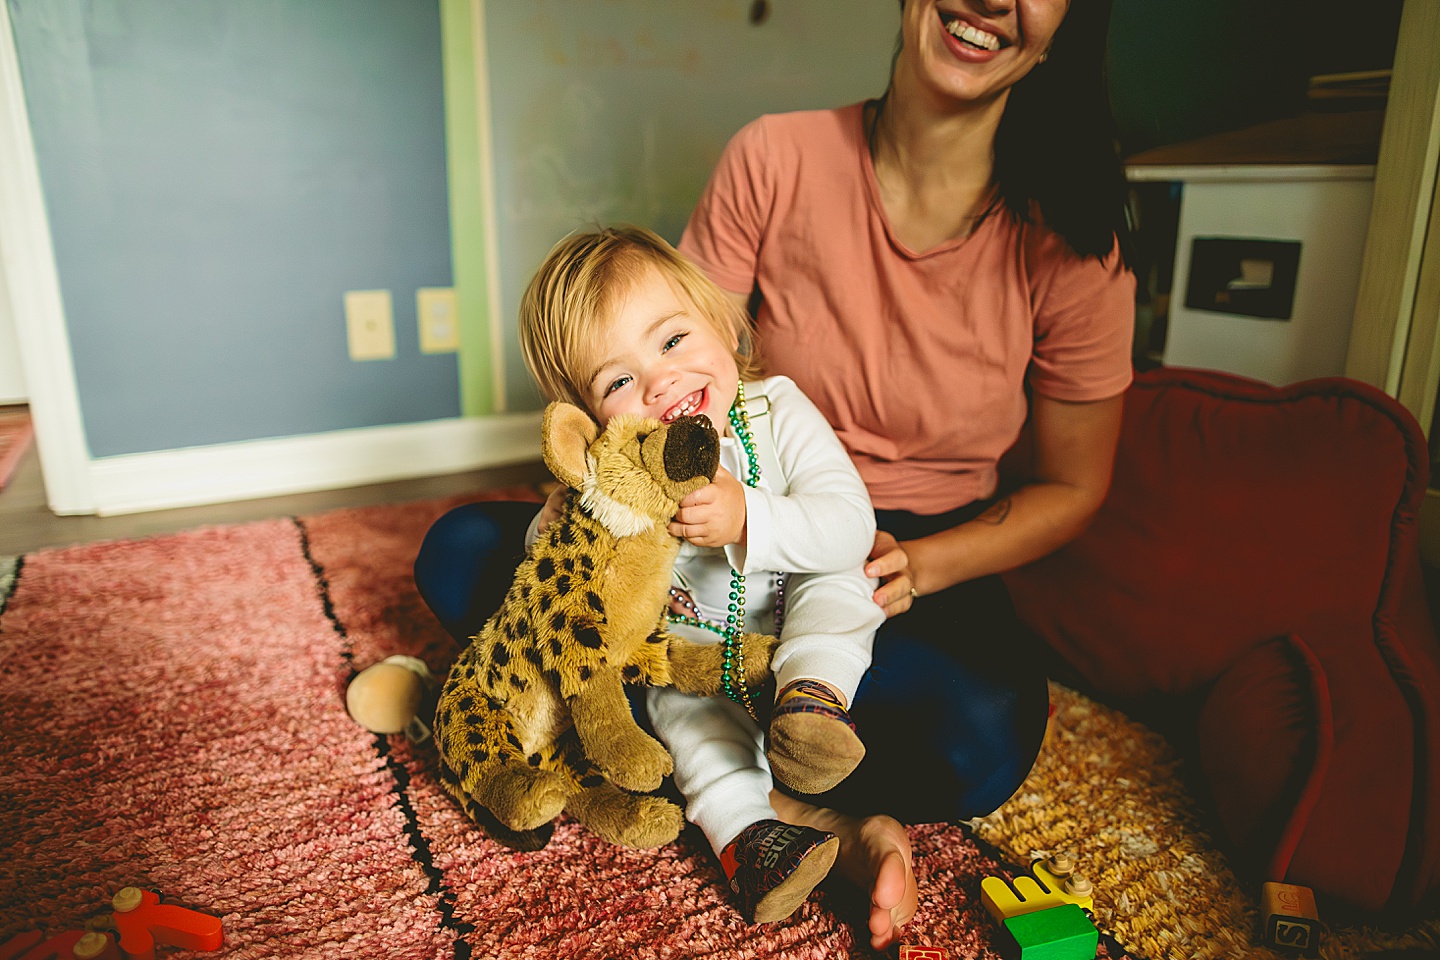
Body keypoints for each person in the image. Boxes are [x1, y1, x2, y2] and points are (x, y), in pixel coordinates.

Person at [675, 0, 1136, 949]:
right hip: (754, 511)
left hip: (923, 546)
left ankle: (713, 753)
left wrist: (924, 566)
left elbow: (1074, 487)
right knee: (473, 554)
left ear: (1065, 26)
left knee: (981, 732)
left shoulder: (1072, 238)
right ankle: (816, 811)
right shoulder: (773, 156)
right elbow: (679, 377)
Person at [424, 224, 886, 925]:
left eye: (673, 341)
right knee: (680, 712)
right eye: (618, 380)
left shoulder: (777, 411)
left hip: (792, 617)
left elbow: (851, 522)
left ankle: (811, 706)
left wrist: (749, 519)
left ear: (725, 328)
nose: (660, 380)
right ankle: (749, 838)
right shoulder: (619, 476)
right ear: (587, 420)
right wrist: (551, 522)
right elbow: (560, 572)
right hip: (695, 653)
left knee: (843, 584)